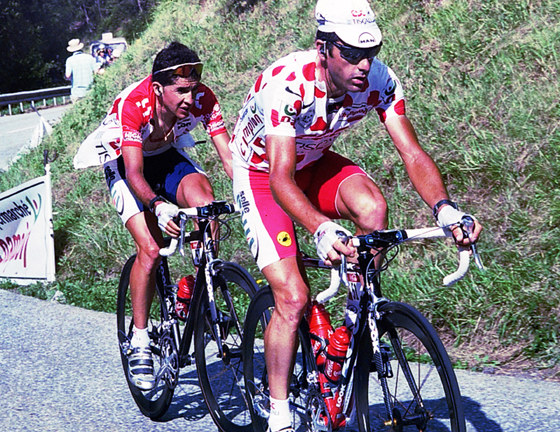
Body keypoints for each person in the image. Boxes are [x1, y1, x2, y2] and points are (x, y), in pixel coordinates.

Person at [228, 0, 483, 431]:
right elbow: (280, 177)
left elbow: (411, 151)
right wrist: (323, 228)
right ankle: (278, 413)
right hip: (262, 175)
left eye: (372, 52)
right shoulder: (289, 84)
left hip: (313, 163)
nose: (364, 64)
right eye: (351, 53)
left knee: (373, 209)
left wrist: (445, 208)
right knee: (291, 297)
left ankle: (352, 323)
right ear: (323, 48)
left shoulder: (379, 79)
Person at [73, 41, 233, 390]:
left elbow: (230, 159)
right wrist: (158, 206)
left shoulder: (203, 97)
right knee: (150, 248)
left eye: (192, 89)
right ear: (159, 88)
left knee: (206, 204)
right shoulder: (136, 104)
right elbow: (134, 173)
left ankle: (201, 288)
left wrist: (255, 195)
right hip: (126, 162)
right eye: (181, 92)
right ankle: (141, 340)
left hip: (166, 153)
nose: (190, 99)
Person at [65, 38, 99, 103]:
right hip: (90, 90)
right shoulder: (90, 58)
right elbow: (96, 73)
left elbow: (68, 75)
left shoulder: (69, 60)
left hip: (77, 92)